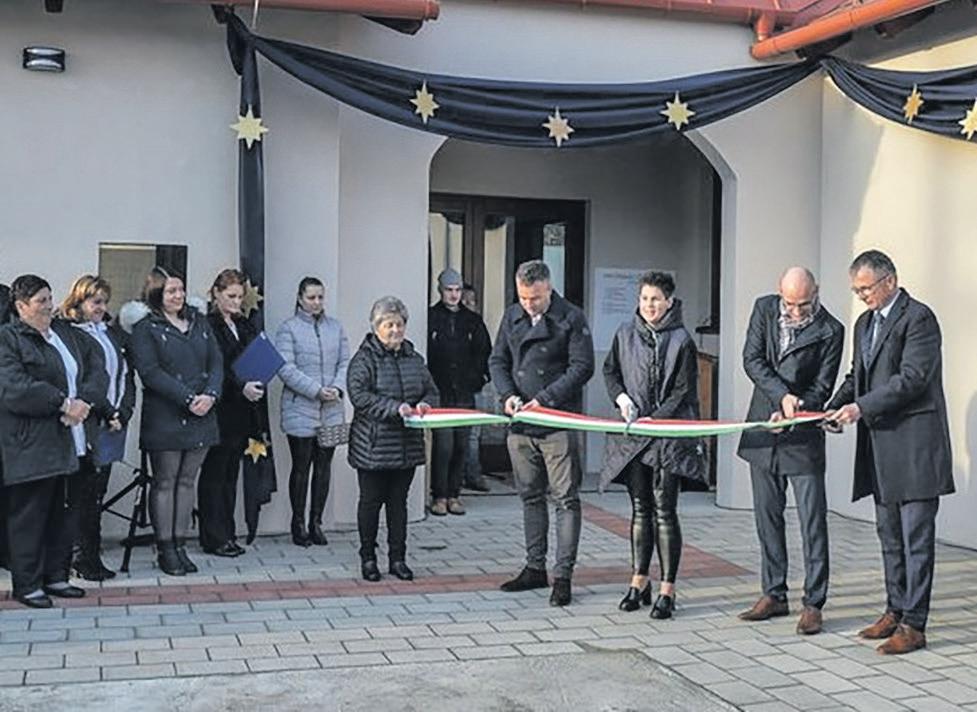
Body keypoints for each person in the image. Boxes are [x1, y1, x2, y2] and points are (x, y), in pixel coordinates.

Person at [824, 250, 954, 655]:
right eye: (856, 290)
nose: (862, 296)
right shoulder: (864, 324)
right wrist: (833, 407)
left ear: (890, 281)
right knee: (890, 537)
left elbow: (912, 379)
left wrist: (860, 409)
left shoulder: (919, 319)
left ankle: (915, 624)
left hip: (915, 447)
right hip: (880, 449)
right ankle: (894, 611)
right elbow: (857, 377)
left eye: (866, 288)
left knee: (917, 540)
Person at [736, 267, 843, 635]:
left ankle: (814, 603)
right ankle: (773, 593)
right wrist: (780, 396)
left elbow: (823, 386)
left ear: (817, 292)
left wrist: (795, 408)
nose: (796, 312)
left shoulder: (831, 329)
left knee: (813, 522)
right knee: (767, 516)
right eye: (790, 304)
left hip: (802, 434)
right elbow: (752, 360)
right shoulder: (764, 309)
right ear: (778, 293)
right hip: (763, 431)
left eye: (804, 304)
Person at [489, 260, 594, 607]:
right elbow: (497, 361)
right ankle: (535, 567)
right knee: (530, 496)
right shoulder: (511, 316)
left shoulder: (571, 317)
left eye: (535, 298)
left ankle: (563, 576)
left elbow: (583, 367)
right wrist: (507, 395)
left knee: (565, 499)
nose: (529, 304)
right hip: (520, 422)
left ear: (549, 288)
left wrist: (545, 400)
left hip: (557, 422)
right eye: (523, 297)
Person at [0, 274, 108, 607]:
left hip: (74, 440)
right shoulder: (9, 339)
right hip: (33, 445)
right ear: (21, 306)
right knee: (30, 517)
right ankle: (28, 584)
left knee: (65, 513)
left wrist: (84, 402)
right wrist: (62, 403)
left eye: (49, 298)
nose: (49, 306)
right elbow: (15, 388)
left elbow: (97, 368)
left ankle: (57, 576)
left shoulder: (66, 334)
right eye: (40, 301)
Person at [601, 271, 703, 619]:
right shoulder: (625, 333)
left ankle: (667, 588)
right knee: (640, 508)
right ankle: (639, 579)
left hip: (667, 437)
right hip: (634, 438)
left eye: (656, 299)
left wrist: (655, 419)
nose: (649, 305)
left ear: (669, 302)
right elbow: (610, 372)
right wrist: (621, 398)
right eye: (645, 298)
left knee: (665, 511)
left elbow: (683, 390)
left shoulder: (682, 340)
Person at [126, 267, 222, 576]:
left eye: (181, 289)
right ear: (156, 293)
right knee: (165, 481)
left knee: (187, 480)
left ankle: (181, 545)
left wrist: (211, 394)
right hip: (167, 415)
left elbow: (216, 361)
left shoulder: (199, 321)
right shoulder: (146, 327)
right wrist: (188, 398)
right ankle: (165, 547)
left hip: (203, 412)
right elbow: (150, 372)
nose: (178, 295)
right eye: (171, 291)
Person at [347, 296, 437, 582]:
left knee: (399, 504)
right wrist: (394, 408)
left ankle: (398, 559)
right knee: (371, 503)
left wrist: (425, 404)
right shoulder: (364, 359)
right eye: (389, 325)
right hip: (373, 445)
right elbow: (359, 395)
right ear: (377, 328)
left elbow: (431, 389)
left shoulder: (414, 358)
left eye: (399, 324)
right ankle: (368, 558)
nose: (395, 330)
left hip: (406, 445)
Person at [58, 275, 137, 581]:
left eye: (104, 302)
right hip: (89, 421)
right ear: (79, 301)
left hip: (113, 422)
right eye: (95, 302)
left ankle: (91, 552)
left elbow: (125, 375)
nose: (101, 308)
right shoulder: (71, 333)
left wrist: (123, 412)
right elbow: (86, 381)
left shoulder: (109, 332)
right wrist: (107, 410)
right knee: (83, 493)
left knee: (98, 492)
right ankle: (81, 556)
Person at [198, 269, 268, 557]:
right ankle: (214, 536)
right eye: (231, 296)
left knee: (231, 474)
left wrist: (259, 377)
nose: (237, 302)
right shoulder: (208, 325)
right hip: (220, 408)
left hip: (243, 412)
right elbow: (214, 366)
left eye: (240, 297)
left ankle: (228, 532)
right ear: (216, 294)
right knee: (215, 474)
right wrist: (241, 387)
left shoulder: (244, 324)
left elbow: (255, 356)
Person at [275, 277, 350, 547]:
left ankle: (316, 522)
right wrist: (316, 390)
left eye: (320, 297)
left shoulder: (335, 327)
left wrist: (337, 388)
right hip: (301, 408)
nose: (316, 302)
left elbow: (345, 362)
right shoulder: (288, 329)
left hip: (331, 409)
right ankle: (297, 523)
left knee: (324, 466)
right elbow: (286, 368)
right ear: (300, 298)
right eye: (311, 298)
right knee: (301, 467)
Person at [427, 269, 492, 516]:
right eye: (449, 290)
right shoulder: (431, 318)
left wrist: (478, 379)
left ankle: (454, 494)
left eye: (457, 290)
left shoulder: (472, 321)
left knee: (461, 445)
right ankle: (439, 495)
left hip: (465, 393)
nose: (454, 295)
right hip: (440, 393)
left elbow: (484, 353)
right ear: (440, 291)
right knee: (443, 446)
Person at [459, 284, 491, 493]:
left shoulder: (477, 324)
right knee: (456, 436)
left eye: (472, 301)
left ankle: (473, 474)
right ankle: (460, 476)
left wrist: (483, 376)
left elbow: (487, 352)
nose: (469, 305)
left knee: (473, 434)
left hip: (475, 386)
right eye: (465, 301)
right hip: (453, 388)